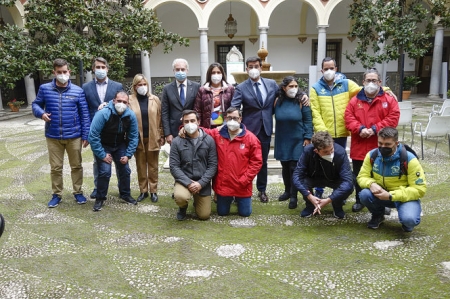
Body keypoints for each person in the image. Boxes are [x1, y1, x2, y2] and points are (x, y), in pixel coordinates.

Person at [32, 58, 90, 208]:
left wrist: (85, 135)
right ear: (54, 72)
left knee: (76, 166)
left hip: (74, 136)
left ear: (69, 72)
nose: (62, 74)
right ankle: (56, 194)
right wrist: (41, 114)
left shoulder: (78, 91)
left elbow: (84, 114)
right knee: (56, 167)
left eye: (65, 72)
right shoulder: (45, 89)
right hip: (53, 136)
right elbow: (36, 104)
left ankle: (78, 192)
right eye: (59, 72)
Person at [345, 68, 400, 212]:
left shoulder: (388, 100)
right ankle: (359, 200)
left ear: (380, 82)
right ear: (363, 82)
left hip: (381, 145)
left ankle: (383, 202)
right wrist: (360, 128)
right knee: (359, 174)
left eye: (374, 80)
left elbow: (393, 118)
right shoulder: (354, 100)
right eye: (368, 80)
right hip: (360, 145)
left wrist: (375, 129)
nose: (371, 83)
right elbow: (348, 118)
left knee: (381, 174)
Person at [357, 127, 426, 231]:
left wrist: (390, 196)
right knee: (364, 194)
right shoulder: (372, 155)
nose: (383, 147)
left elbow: (419, 189)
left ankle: (406, 218)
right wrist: (371, 184)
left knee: (409, 220)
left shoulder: (409, 159)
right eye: (380, 143)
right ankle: (378, 215)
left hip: (402, 197)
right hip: (381, 195)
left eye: (388, 144)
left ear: (396, 143)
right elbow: (362, 176)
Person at [230, 56, 279, 203]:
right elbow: (235, 106)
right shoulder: (241, 87)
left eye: (256, 66)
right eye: (250, 67)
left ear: (261, 68)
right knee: (244, 161)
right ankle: (242, 189)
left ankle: (262, 190)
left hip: (265, 128)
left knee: (262, 161)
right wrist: (232, 123)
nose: (253, 69)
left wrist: (301, 95)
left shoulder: (271, 84)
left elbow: (283, 95)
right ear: (246, 69)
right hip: (248, 130)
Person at [202, 107, 262, 217]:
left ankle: (239, 200)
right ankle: (224, 199)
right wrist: (184, 128)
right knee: (222, 213)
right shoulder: (217, 134)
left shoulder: (251, 138)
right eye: (229, 118)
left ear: (240, 119)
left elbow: (256, 162)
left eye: (235, 118)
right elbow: (202, 131)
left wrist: (245, 179)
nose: (232, 121)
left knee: (245, 213)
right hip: (224, 184)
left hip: (242, 184)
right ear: (225, 119)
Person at [88, 91, 139, 212]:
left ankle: (125, 194)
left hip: (120, 145)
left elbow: (134, 136)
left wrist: (128, 154)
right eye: (119, 101)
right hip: (104, 145)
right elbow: (93, 136)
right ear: (114, 100)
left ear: (128, 103)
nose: (121, 104)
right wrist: (102, 154)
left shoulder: (130, 115)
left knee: (125, 170)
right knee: (105, 172)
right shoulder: (103, 113)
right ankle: (100, 197)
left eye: (124, 102)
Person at [83, 57, 124, 199]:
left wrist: (108, 104)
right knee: (98, 161)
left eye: (103, 67)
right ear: (93, 69)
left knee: (120, 163)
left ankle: (122, 188)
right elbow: (85, 111)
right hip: (96, 131)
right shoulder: (86, 87)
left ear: (107, 68)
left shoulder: (117, 86)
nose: (100, 69)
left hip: (113, 130)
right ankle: (97, 187)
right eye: (97, 67)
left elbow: (123, 105)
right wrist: (87, 133)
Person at [292, 131, 353, 219]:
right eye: (326, 152)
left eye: (331, 149)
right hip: (313, 178)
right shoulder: (307, 151)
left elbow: (348, 180)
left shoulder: (340, 152)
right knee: (302, 182)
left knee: (350, 185)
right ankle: (310, 205)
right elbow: (297, 175)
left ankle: (337, 205)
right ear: (316, 150)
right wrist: (309, 196)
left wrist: (329, 199)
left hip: (334, 179)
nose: (330, 153)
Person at [170, 110, 217, 221]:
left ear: (198, 122)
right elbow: (174, 166)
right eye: (186, 121)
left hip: (202, 182)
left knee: (204, 215)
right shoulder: (177, 142)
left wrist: (201, 183)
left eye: (192, 120)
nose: (190, 124)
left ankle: (197, 200)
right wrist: (188, 183)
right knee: (181, 197)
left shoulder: (209, 141)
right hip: (184, 180)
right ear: (183, 124)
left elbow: (213, 165)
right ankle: (183, 206)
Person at [274, 76, 313, 209]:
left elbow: (308, 120)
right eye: (291, 86)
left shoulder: (302, 101)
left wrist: (308, 137)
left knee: (294, 168)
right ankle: (287, 190)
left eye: (296, 86)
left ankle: (293, 196)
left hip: (298, 140)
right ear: (284, 88)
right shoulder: (277, 101)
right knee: (285, 167)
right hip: (282, 139)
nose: (294, 89)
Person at [129, 74, 165, 203]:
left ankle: (153, 191)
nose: (142, 87)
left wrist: (162, 135)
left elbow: (160, 118)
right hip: (137, 138)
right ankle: (143, 190)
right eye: (140, 85)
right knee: (140, 165)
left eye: (144, 84)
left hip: (153, 137)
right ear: (135, 86)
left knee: (153, 166)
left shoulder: (154, 99)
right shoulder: (129, 100)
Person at [161, 58, 201, 145]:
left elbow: (198, 109)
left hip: (192, 129)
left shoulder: (196, 87)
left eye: (182, 69)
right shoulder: (167, 89)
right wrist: (168, 134)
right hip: (174, 131)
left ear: (187, 70)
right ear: (173, 71)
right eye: (177, 69)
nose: (180, 72)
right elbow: (164, 112)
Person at [194, 62, 234, 128]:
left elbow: (234, 108)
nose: (216, 75)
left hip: (225, 126)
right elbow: (197, 110)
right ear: (209, 74)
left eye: (218, 72)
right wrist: (199, 127)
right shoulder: (202, 90)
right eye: (213, 73)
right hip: (208, 127)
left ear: (222, 74)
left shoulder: (229, 89)